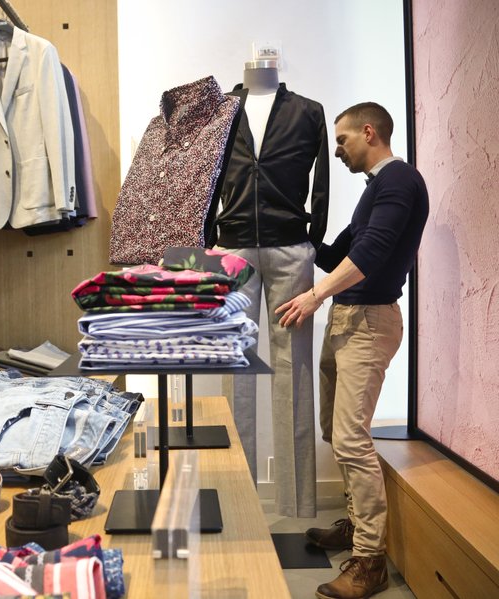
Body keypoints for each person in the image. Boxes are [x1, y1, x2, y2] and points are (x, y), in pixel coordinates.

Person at [276, 102, 428, 599]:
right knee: (336, 432)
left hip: (369, 321)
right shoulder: (375, 191)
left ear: (369, 132)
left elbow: (370, 254)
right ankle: (356, 522)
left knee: (350, 439)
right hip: (347, 319)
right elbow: (338, 251)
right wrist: (289, 223)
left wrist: (315, 295)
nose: (337, 150)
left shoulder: (400, 181)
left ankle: (369, 561)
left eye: (341, 140)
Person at [215, 59, 329, 518]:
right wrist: (208, 238)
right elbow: (204, 180)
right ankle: (236, 499)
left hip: (290, 247)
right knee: (235, 370)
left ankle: (297, 505)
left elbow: (320, 185)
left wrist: (313, 242)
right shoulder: (220, 111)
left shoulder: (308, 111)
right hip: (234, 248)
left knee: (294, 370)